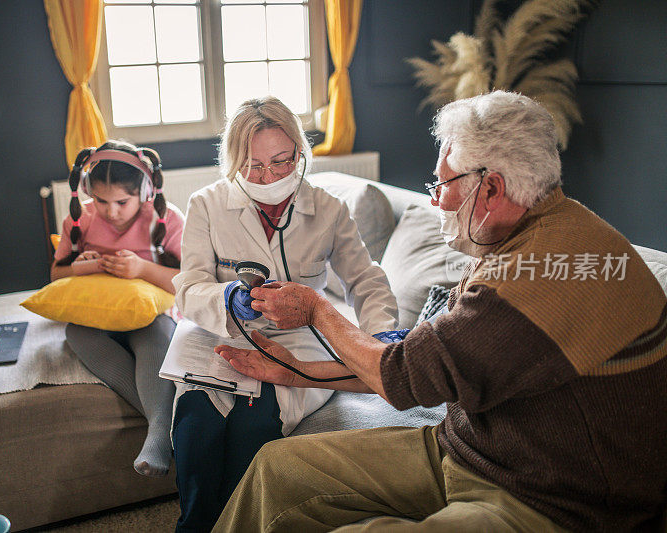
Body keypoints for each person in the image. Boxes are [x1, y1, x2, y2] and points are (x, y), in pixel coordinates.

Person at [213, 91, 667, 532]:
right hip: (471, 450)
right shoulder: (542, 228)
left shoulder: (532, 281)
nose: (432, 201)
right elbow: (425, 367)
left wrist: (315, 309)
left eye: (441, 185)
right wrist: (297, 372)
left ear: (490, 187)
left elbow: (402, 378)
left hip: (551, 500)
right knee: (279, 467)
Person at [169, 96, 399, 532]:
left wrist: (379, 338)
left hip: (294, 339)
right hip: (216, 334)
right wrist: (228, 299)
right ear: (234, 163)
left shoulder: (328, 209)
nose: (269, 176)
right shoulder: (207, 204)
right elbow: (189, 286)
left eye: (280, 161)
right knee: (197, 431)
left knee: (249, 432)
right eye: (253, 166)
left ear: (300, 153)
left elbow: (365, 279)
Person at [52, 139, 184, 477]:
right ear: (87, 191)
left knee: (154, 335)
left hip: (151, 317)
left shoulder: (167, 220)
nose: (111, 211)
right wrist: (82, 266)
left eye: (122, 202)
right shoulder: (79, 221)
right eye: (100, 200)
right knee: (75, 331)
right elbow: (56, 275)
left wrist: (142, 269)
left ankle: (157, 436)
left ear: (144, 189)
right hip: (97, 318)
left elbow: (189, 282)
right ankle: (165, 429)